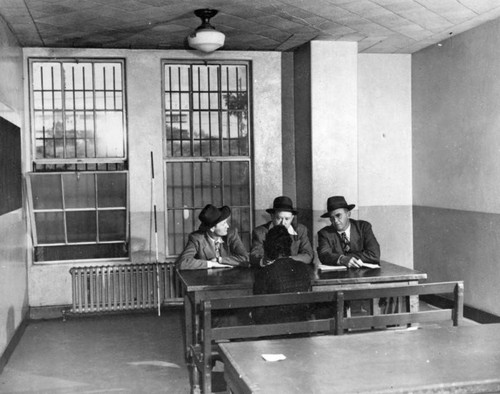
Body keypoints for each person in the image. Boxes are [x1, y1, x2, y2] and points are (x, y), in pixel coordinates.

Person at [252, 225, 312, 324]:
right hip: (302, 329)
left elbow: (258, 313)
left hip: (274, 332)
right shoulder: (303, 268)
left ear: (267, 246)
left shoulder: (264, 273)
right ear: (289, 245)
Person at [175, 204, 249, 270]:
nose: (227, 226)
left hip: (230, 280)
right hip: (205, 281)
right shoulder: (197, 238)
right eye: (223, 223)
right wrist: (211, 264)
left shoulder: (231, 234)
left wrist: (219, 260)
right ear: (212, 228)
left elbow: (245, 259)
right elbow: (182, 263)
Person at [317, 196, 380, 268]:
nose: (335, 221)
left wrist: (344, 258)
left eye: (338, 215)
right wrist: (342, 259)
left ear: (348, 214)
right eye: (332, 218)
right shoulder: (324, 233)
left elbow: (374, 254)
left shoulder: (363, 227)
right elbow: (324, 255)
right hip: (338, 276)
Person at [250, 196, 313, 267]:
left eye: (287, 219)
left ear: (292, 218)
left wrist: (287, 259)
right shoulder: (260, 232)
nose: (283, 223)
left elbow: (308, 255)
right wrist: (264, 260)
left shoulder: (300, 230)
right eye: (279, 218)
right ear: (272, 216)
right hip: (270, 271)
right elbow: (254, 255)